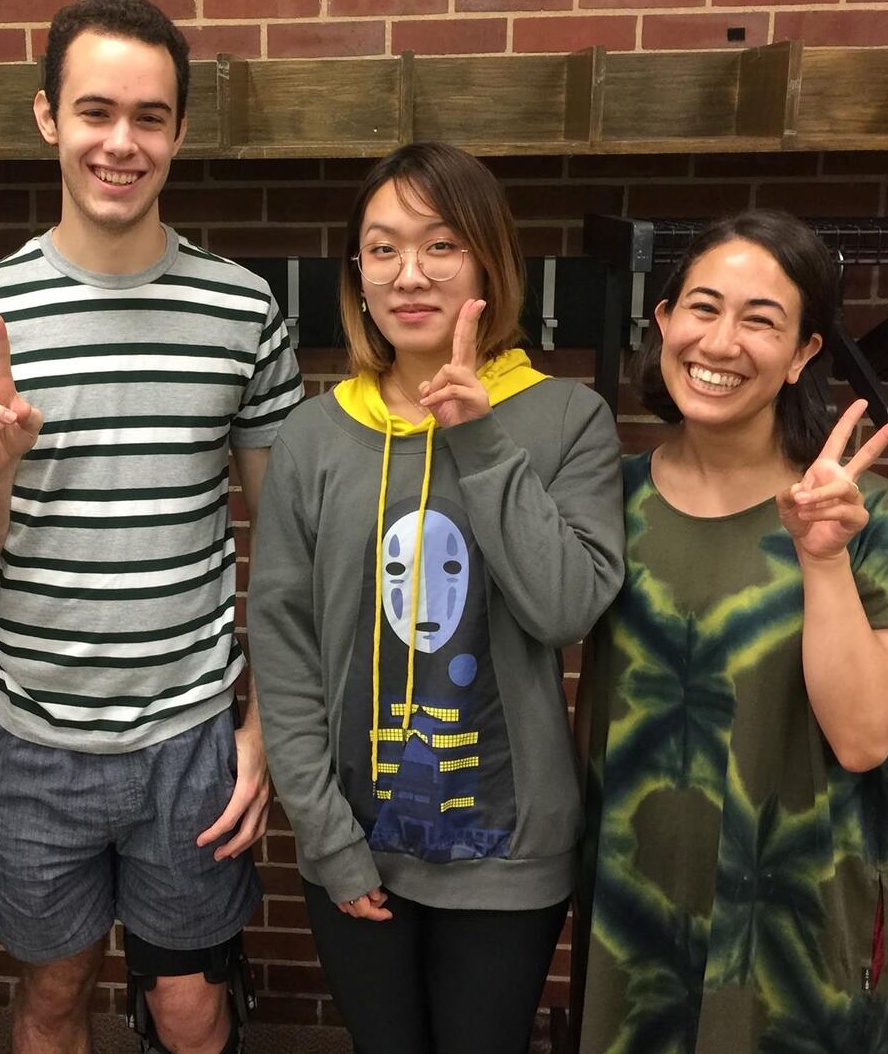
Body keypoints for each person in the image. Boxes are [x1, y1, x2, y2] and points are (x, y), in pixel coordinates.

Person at [0, 0, 302, 1054]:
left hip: (192, 738)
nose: (121, 143)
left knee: (190, 1004)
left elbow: (285, 549)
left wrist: (262, 725)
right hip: (33, 742)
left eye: (150, 116)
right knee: (52, 997)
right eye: (95, 111)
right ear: (47, 118)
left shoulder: (242, 309)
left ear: (178, 131)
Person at [248, 142, 625, 1054]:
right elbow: (285, 645)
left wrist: (476, 437)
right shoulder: (313, 433)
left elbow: (566, 606)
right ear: (358, 274)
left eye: (439, 245)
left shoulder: (567, 419)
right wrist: (325, 834)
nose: (408, 273)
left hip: (511, 849)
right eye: (382, 249)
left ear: (488, 260)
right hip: (355, 836)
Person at [572, 210, 888, 1054]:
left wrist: (823, 560)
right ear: (663, 321)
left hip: (800, 939)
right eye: (702, 307)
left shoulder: (881, 523)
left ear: (802, 355)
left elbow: (865, 737)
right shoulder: (605, 505)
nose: (720, 343)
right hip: (633, 923)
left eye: (760, 321)